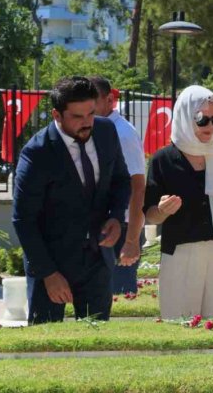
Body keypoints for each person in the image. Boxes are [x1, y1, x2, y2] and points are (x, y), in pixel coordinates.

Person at [13, 76, 130, 324]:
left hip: (97, 259)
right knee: (45, 346)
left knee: (98, 345)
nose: (87, 122)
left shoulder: (106, 131)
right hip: (50, 263)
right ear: (57, 115)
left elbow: (121, 180)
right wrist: (48, 273)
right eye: (77, 117)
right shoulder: (37, 153)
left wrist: (116, 217)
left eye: (90, 113)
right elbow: (23, 220)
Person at [144, 86, 213, 319]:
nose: (210, 126)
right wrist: (162, 211)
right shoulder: (163, 159)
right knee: (179, 325)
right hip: (180, 252)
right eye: (202, 120)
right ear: (184, 116)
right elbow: (150, 214)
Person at [89, 77, 146, 294]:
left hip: (121, 230)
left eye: (92, 100)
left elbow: (138, 187)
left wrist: (131, 240)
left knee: (117, 298)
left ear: (110, 100)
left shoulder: (122, 133)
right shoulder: (99, 129)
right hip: (105, 225)